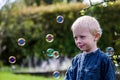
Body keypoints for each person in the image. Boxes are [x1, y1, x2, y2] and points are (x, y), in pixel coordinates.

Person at [64, 15, 116, 80]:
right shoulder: (76, 61)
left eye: (82, 37)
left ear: (96, 36)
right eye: (76, 38)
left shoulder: (104, 60)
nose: (78, 41)